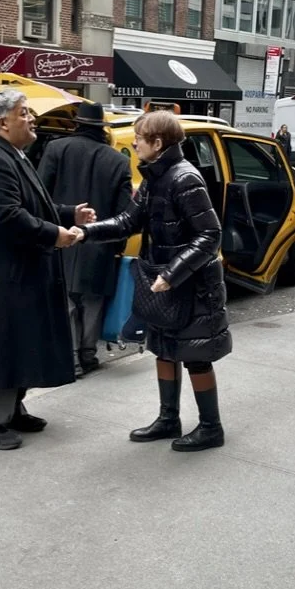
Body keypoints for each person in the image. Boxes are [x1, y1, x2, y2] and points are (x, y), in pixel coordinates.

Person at [77, 110, 231, 452]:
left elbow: (210, 235)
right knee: (163, 350)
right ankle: (168, 419)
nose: (134, 142)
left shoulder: (184, 178)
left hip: (192, 286)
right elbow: (126, 222)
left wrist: (171, 273)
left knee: (195, 356)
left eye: (139, 138)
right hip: (163, 282)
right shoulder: (154, 178)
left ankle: (211, 428)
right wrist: (85, 232)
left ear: (157, 143)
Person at [0, 88, 95, 451]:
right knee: (0, 345)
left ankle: (11, 411)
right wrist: (56, 235)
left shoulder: (12, 154)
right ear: (3, 122)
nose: (32, 118)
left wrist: (69, 214)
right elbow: (8, 217)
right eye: (24, 113)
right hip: (0, 276)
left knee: (20, 342)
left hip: (18, 272)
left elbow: (34, 202)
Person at [38, 101, 133, 378]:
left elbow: (41, 196)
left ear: (77, 125)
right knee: (92, 300)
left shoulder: (56, 149)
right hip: (99, 241)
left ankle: (71, 359)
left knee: (65, 300)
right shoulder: (119, 161)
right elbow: (123, 212)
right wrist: (117, 246)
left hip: (61, 236)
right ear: (101, 129)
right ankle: (88, 354)